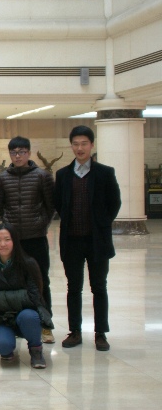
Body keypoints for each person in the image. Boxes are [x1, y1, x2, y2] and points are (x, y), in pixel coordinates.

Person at [54, 125, 121, 351]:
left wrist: (102, 223)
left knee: (99, 287)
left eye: (84, 143)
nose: (79, 148)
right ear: (71, 146)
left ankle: (100, 333)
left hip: (97, 241)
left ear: (91, 145)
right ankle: (75, 331)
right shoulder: (63, 175)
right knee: (74, 288)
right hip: (72, 241)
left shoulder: (104, 173)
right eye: (75, 144)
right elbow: (59, 203)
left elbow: (114, 202)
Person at [0, 135, 55, 343]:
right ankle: (18, 323)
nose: (18, 156)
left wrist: (40, 224)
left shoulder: (42, 176)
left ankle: (46, 325)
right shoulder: (3, 178)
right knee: (15, 281)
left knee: (41, 280)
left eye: (21, 152)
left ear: (29, 153)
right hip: (13, 241)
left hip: (36, 237)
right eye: (14, 152)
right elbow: (1, 206)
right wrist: (9, 224)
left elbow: (50, 206)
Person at [0, 223, 52, 369]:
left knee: (29, 317)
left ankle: (36, 350)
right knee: (3, 347)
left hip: (24, 314)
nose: (2, 244)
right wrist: (18, 297)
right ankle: (7, 346)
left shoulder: (28, 263)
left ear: (15, 241)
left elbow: (34, 298)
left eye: (7, 239)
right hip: (0, 316)